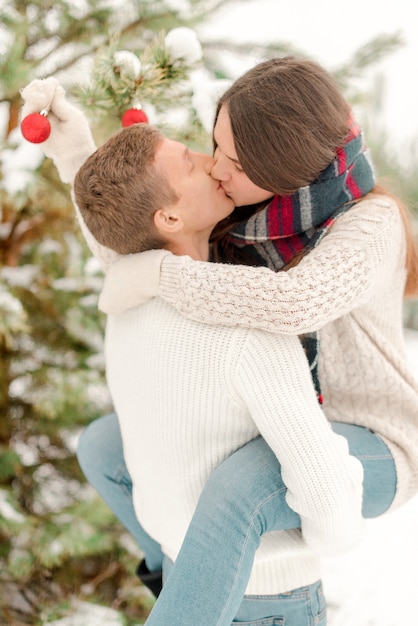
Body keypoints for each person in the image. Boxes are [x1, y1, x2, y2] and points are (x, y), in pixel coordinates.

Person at [82, 57, 418, 625]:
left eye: (234, 161)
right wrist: (75, 156)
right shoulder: (257, 208)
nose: (216, 167)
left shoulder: (370, 224)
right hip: (284, 417)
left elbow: (293, 302)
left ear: (281, 166)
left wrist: (157, 277)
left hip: (375, 439)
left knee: (239, 486)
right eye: (216, 144)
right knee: (105, 445)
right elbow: (148, 221)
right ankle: (190, 581)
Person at [20, 78, 366, 626]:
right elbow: (324, 489)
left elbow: (109, 235)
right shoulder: (247, 328)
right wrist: (323, 541)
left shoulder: (128, 289)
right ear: (170, 220)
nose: (211, 163)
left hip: (188, 571)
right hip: (274, 600)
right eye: (190, 163)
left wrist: (72, 149)